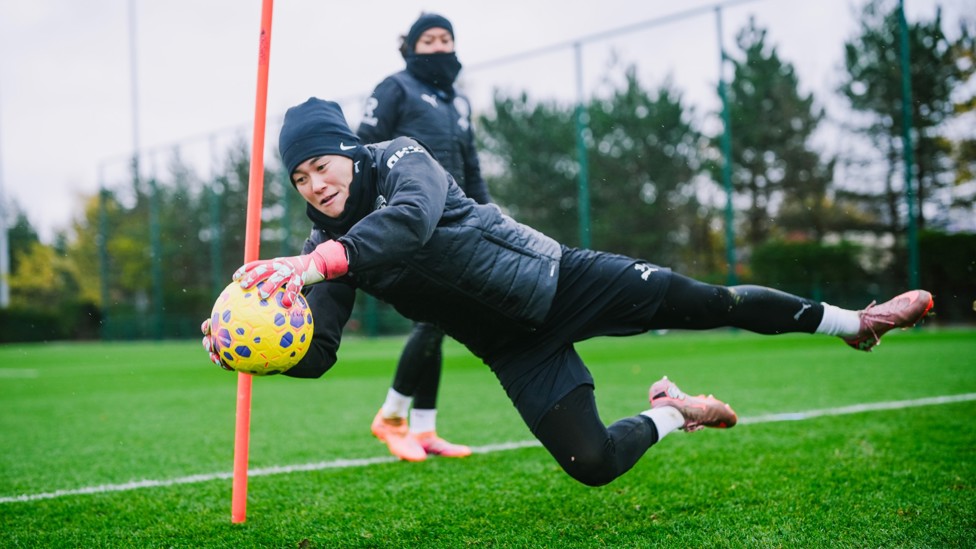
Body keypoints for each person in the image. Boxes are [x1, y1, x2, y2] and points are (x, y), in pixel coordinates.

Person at [202, 98, 934, 487]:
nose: (315, 185)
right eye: (299, 179)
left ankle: (857, 322)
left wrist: (319, 262)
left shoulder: (399, 159)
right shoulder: (316, 253)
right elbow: (319, 351)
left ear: (346, 151)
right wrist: (249, 352)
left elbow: (412, 222)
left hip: (564, 281)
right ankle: (677, 414)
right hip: (515, 347)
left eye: (321, 166)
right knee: (592, 464)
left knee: (714, 303)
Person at [354, 13, 491, 462]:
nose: (438, 46)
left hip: (455, 221)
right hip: (410, 220)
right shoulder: (394, 88)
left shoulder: (457, 102)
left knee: (440, 320)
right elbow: (364, 149)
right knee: (435, 317)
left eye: (445, 38)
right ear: (411, 47)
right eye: (428, 39)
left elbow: (470, 167)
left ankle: (425, 429)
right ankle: (391, 416)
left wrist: (487, 216)